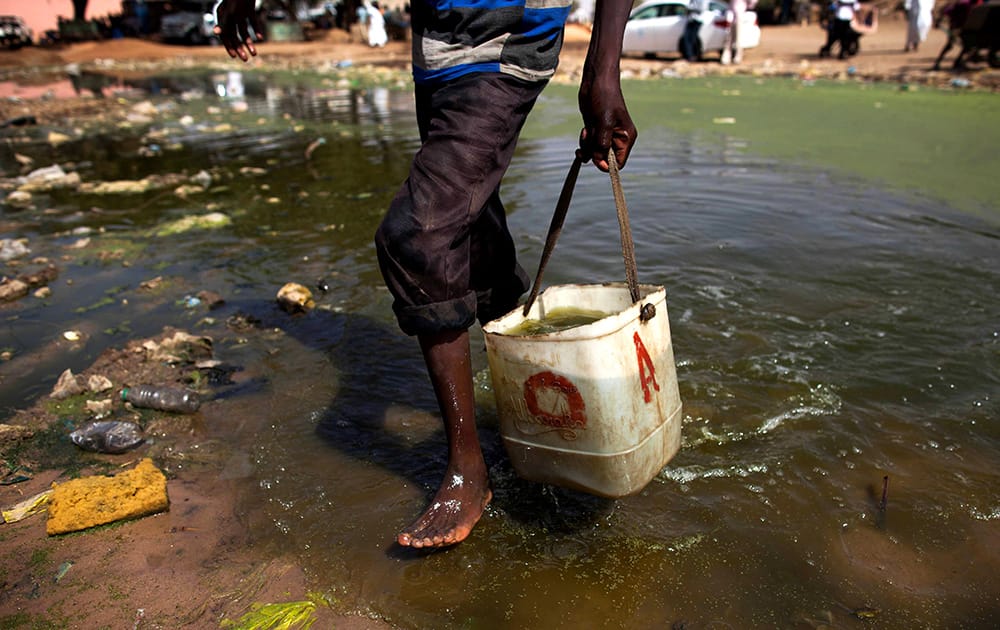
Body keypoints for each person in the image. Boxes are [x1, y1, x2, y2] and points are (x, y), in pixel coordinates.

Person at [214, 0, 637, 549]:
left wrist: (602, 71)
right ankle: (537, 409)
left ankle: (468, 470)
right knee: (471, 235)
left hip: (508, 44)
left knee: (418, 234)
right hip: (438, 51)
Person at [932, 0, 978, 67]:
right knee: (950, 45)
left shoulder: (976, 4)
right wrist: (939, 20)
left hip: (964, 28)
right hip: (956, 27)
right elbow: (947, 11)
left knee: (966, 46)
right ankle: (938, 63)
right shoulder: (964, 4)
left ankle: (958, 61)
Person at [722, 0, 757, 64]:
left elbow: (752, 2)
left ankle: (737, 56)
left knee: (738, 38)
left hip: (739, 15)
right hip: (731, 15)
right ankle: (727, 56)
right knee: (728, 39)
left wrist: (750, 5)